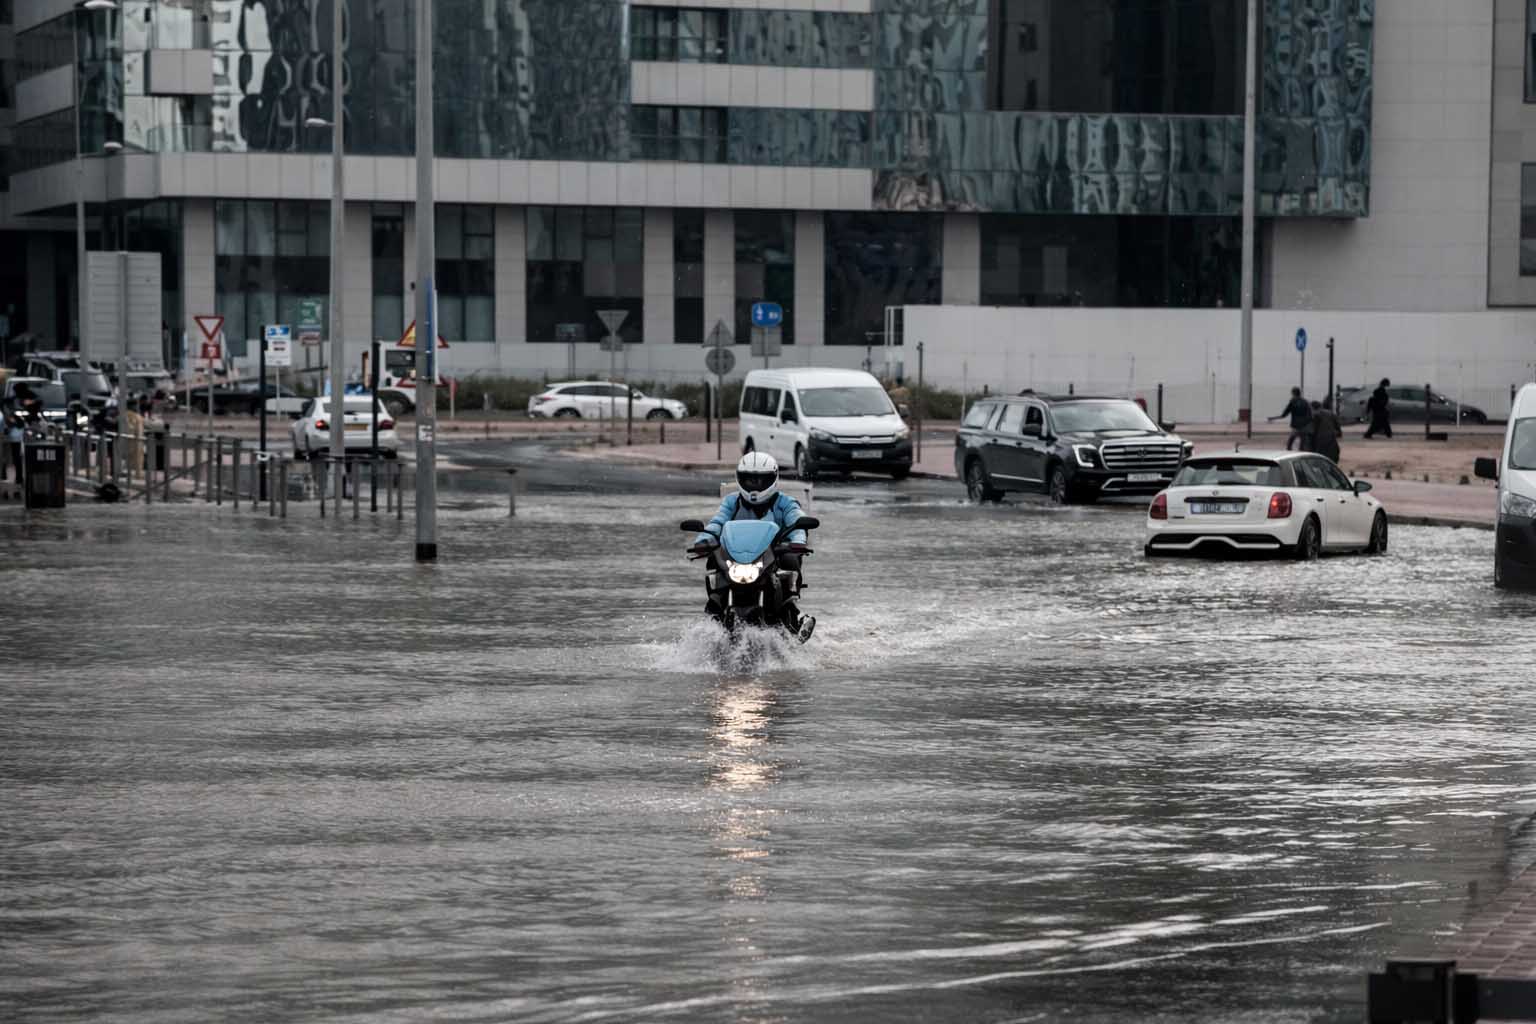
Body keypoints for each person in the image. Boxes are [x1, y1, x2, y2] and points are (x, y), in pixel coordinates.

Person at [691, 451, 815, 642]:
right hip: (736, 557)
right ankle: (712, 618)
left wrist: (797, 541)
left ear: (773, 478)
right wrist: (703, 540)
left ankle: (792, 617)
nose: (755, 485)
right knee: (713, 558)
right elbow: (717, 523)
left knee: (790, 561)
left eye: (760, 480)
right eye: (749, 480)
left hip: (772, 556)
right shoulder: (732, 501)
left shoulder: (785, 502)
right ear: (740, 478)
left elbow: (796, 522)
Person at [1309, 398, 1342, 463]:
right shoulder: (1331, 413)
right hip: (1331, 439)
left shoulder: (1315, 415)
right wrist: (1338, 433)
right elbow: (1337, 426)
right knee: (1333, 457)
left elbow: (1313, 430)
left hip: (1320, 441)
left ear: (1313, 408)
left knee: (1321, 458)